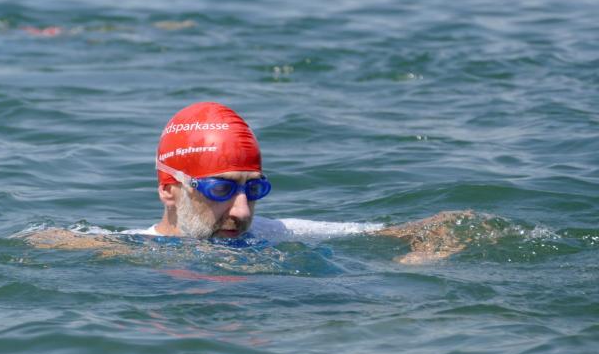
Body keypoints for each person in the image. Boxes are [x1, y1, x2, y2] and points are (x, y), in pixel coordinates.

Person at [26, 102, 477, 264]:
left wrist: (428, 252)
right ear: (168, 189)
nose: (242, 211)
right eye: (221, 189)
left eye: (253, 189)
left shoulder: (278, 233)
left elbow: (444, 224)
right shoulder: (133, 246)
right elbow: (37, 240)